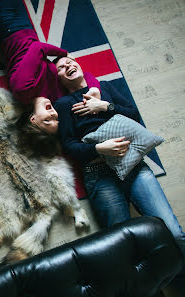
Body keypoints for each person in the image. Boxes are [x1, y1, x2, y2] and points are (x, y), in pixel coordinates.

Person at [53, 55, 185, 294]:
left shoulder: (105, 87)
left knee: (173, 233)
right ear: (60, 79)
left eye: (70, 62)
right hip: (99, 174)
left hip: (134, 166)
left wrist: (104, 106)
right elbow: (69, 145)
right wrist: (98, 149)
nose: (67, 66)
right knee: (124, 249)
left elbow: (133, 115)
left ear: (79, 65)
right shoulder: (63, 105)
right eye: (61, 68)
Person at [0, 0, 100, 134]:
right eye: (57, 120)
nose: (53, 116)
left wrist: (64, 53)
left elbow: (37, 48)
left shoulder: (23, 90)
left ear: (33, 119)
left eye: (47, 121)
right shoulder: (57, 98)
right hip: (28, 30)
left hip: (9, 27)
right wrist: (94, 89)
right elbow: (84, 76)